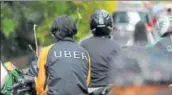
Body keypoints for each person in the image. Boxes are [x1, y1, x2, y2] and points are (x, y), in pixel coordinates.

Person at [35, 15, 91, 95]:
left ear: (54, 32)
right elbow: (86, 82)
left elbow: (40, 87)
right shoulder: (84, 52)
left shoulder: (47, 51)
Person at [80, 9, 121, 89]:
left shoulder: (83, 45)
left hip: (87, 88)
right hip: (108, 89)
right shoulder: (116, 47)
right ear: (110, 26)